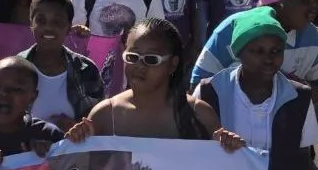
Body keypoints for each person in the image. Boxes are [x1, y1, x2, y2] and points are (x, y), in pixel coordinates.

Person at [194, 6, 318, 170]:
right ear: (239, 53)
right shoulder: (209, 92)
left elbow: (303, 161)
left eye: (276, 51)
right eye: (258, 51)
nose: (269, 59)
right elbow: (193, 154)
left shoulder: (298, 96)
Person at [67, 19, 241, 145]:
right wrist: (78, 140)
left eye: (151, 59)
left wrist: (228, 146)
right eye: (132, 57)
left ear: (173, 64)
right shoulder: (104, 115)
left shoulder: (200, 115)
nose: (139, 66)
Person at [192, 0, 318, 112]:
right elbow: (197, 87)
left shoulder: (311, 36)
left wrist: (291, 90)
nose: (314, 7)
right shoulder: (230, 31)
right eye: (305, 1)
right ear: (279, 4)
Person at [18, 0, 103, 131]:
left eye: (57, 22)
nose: (49, 27)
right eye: (41, 20)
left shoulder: (86, 70)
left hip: (73, 152)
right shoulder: (13, 69)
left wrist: (78, 128)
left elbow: (100, 125)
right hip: (23, 152)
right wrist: (34, 136)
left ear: (69, 28)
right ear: (31, 25)